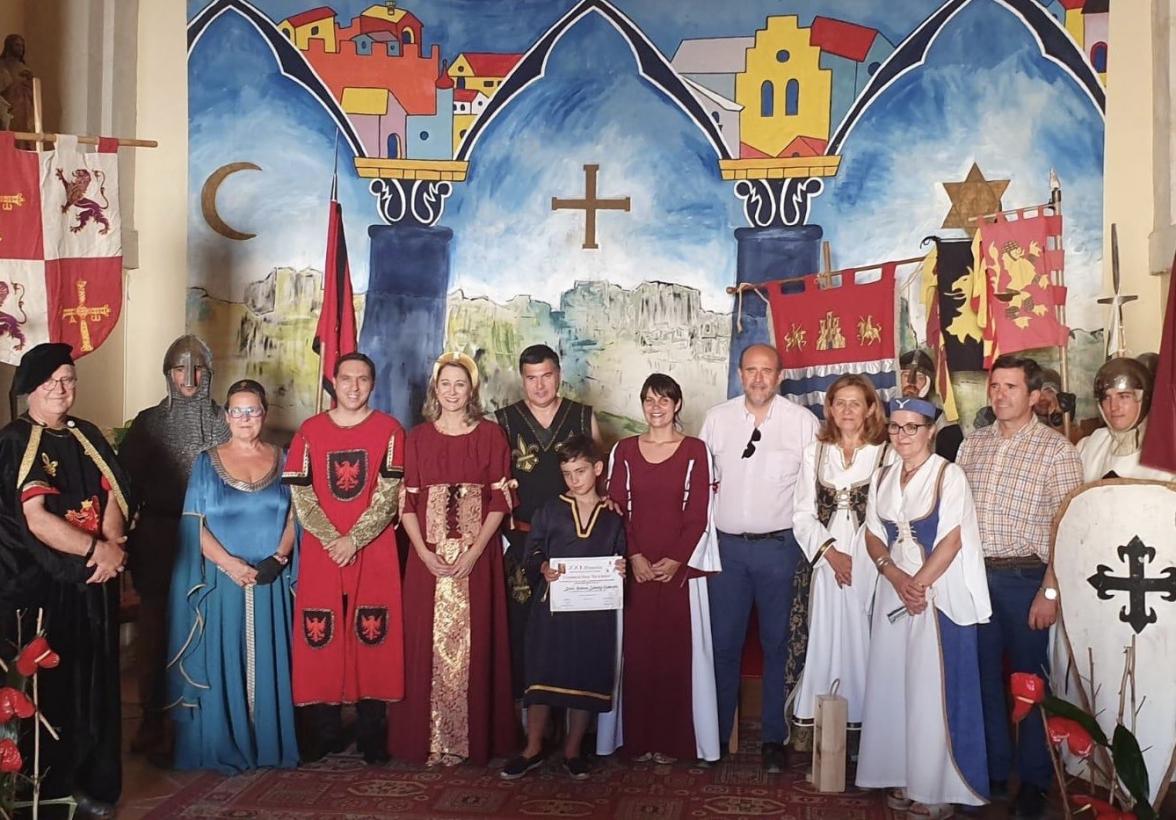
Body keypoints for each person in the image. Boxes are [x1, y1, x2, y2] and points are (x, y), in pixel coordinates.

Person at [0, 343, 134, 818]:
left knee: (95, 688)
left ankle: (93, 784)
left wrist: (111, 548)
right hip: (41, 589)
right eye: (51, 381)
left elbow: (115, 493)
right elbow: (35, 520)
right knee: (49, 694)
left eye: (68, 380)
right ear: (30, 388)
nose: (61, 389)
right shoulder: (16, 441)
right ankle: (44, 794)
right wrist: (95, 552)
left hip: (94, 584)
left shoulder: (86, 434)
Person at [956, 354, 1083, 820]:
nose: (1000, 395)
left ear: (1034, 395)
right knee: (983, 677)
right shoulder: (972, 445)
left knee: (1031, 683)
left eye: (1010, 387)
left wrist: (1050, 590)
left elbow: (1067, 528)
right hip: (976, 578)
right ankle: (991, 770)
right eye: (995, 386)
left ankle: (1033, 780)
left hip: (1027, 579)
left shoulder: (1057, 451)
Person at [856, 397, 991, 818]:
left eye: (912, 427)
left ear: (931, 431)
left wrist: (918, 584)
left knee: (930, 687)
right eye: (895, 427)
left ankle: (935, 787)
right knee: (893, 680)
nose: (902, 435)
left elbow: (952, 538)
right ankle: (899, 772)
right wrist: (895, 577)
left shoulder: (949, 475)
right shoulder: (882, 476)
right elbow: (872, 534)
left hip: (936, 594)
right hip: (895, 588)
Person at [388, 352, 517, 766]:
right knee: (424, 642)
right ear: (435, 389)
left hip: (477, 556)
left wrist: (475, 551)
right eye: (445, 384)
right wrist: (423, 553)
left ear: (472, 390)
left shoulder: (491, 436)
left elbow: (500, 500)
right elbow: (406, 503)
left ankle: (469, 739)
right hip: (427, 558)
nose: (452, 391)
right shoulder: (417, 438)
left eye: (460, 384)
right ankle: (429, 738)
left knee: (477, 643)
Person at [165, 380, 298, 773]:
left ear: (264, 414)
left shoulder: (285, 458)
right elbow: (194, 523)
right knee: (225, 660)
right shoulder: (206, 463)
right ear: (226, 416)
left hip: (271, 579)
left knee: (271, 664)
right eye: (237, 411)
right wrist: (230, 564)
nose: (244, 418)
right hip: (224, 581)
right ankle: (228, 742)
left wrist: (279, 556)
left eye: (252, 410)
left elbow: (297, 516)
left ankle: (269, 745)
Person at [699, 343, 819, 772]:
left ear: (779, 376)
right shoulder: (717, 420)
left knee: (777, 644)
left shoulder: (802, 423)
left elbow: (813, 492)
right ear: (740, 374)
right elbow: (701, 484)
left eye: (766, 371)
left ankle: (773, 737)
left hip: (779, 549)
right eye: (750, 370)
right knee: (723, 643)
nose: (758, 378)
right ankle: (714, 733)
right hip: (727, 550)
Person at [283, 352, 406, 764]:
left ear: (373, 383)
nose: (354, 387)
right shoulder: (310, 431)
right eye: (347, 379)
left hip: (373, 548)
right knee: (322, 632)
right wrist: (332, 538)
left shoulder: (390, 430)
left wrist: (354, 539)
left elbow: (388, 495)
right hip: (323, 550)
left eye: (363, 379)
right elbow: (302, 494)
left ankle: (373, 732)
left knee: (373, 632)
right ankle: (326, 731)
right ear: (333, 382)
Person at [600, 374, 721, 764]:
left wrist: (678, 558)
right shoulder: (623, 450)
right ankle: (636, 739)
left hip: (678, 571)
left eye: (664, 400)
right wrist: (634, 555)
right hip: (634, 568)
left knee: (675, 655)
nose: (656, 407)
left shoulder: (696, 451)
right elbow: (615, 508)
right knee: (635, 655)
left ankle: (672, 741)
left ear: (677, 404)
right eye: (649, 400)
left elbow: (700, 512)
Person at [120, 335, 230, 756]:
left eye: (197, 369)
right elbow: (124, 489)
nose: (189, 378)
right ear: (167, 374)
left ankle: (206, 721)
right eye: (180, 369)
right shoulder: (149, 424)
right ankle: (153, 721)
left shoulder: (223, 422)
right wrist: (121, 540)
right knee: (156, 632)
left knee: (209, 627)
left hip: (214, 537)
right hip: (159, 537)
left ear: (208, 374)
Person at [501, 435, 626, 781]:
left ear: (597, 469)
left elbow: (620, 554)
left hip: (594, 613)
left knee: (583, 678)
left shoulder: (613, 515)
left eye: (580, 471)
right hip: (552, 609)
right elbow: (532, 552)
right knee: (542, 677)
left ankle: (573, 750)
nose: (574, 480)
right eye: (567, 473)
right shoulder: (550, 510)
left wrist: (621, 568)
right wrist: (542, 567)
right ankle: (532, 748)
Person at [494, 344, 599, 700]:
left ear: (559, 375)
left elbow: (601, 478)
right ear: (522, 380)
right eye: (531, 378)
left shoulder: (582, 417)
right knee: (522, 623)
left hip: (576, 541)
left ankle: (573, 713)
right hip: (522, 541)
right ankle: (525, 712)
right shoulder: (504, 421)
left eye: (546, 376)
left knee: (572, 627)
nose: (539, 386)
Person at [790, 374, 888, 747]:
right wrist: (831, 553)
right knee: (825, 634)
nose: (847, 410)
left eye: (855, 403)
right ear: (829, 408)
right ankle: (822, 732)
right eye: (840, 403)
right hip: (825, 561)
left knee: (864, 639)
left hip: (872, 561)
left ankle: (866, 733)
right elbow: (801, 513)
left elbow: (892, 512)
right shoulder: (815, 452)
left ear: (870, 409)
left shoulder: (886, 453)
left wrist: (862, 560)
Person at [1076, 357, 1173, 482]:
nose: (1113, 407)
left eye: (1124, 396)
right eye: (1106, 398)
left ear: (1145, 399)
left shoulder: (1169, 454)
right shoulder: (1089, 446)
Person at [899, 349, 963, 461]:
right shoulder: (884, 417)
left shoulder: (943, 424)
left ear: (928, 383)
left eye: (920, 377)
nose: (911, 382)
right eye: (906, 375)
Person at [0, 34, 34, 133]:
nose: (20, 48)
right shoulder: (2, 64)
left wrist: (29, 80)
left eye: (22, 46)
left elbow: (33, 92)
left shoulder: (24, 67)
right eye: (17, 45)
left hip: (25, 106)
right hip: (9, 105)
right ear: (9, 46)